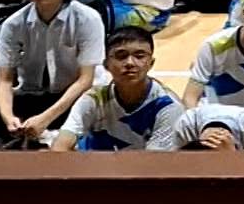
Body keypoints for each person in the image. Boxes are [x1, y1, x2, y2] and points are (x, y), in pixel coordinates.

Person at [0, 0, 104, 146]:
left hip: (74, 96)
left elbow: (85, 80)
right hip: (34, 94)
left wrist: (46, 118)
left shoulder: (88, 19)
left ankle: (40, 132)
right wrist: (9, 118)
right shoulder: (13, 24)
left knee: (96, 109)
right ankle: (24, 131)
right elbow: (5, 79)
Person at [51, 27, 183, 151]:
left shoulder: (168, 107)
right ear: (106, 65)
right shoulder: (93, 99)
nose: (130, 63)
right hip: (93, 164)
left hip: (142, 166)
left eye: (139, 56)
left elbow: (154, 162)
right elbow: (61, 145)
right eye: (121, 55)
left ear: (151, 63)